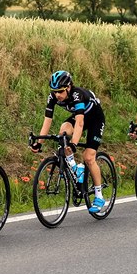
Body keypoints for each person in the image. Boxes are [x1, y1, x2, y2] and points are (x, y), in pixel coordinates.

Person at [29, 71, 107, 213]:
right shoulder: (52, 97)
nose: (57, 95)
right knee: (63, 131)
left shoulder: (77, 96)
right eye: (54, 91)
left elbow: (80, 123)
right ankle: (76, 168)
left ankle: (99, 196)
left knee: (89, 157)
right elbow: (47, 121)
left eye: (60, 91)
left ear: (69, 87)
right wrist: (39, 142)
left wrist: (74, 144)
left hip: (95, 119)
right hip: (79, 117)